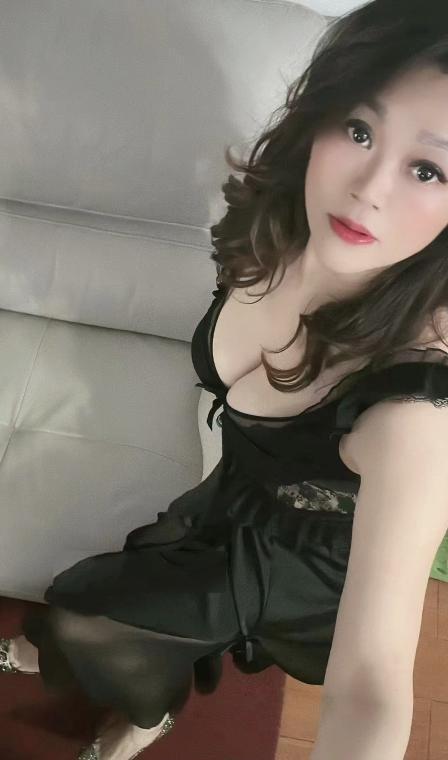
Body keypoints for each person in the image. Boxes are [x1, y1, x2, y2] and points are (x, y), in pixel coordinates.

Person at [3, 1, 448, 758]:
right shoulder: (276, 222)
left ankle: (147, 716)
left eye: (428, 169)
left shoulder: (414, 415)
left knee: (87, 615)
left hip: (300, 562)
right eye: (359, 130)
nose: (369, 187)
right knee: (119, 598)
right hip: (231, 488)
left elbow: (370, 690)